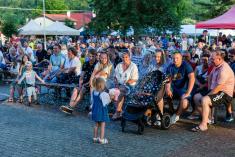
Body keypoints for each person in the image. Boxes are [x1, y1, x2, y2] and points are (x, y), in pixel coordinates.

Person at [192, 50, 234, 132]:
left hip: (224, 93)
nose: (210, 60)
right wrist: (209, 90)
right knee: (196, 97)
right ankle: (208, 119)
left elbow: (219, 87)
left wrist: (208, 95)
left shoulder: (224, 69)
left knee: (205, 100)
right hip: (215, 90)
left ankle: (204, 125)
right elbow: (210, 77)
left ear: (219, 59)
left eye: (212, 59)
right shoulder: (216, 66)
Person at [60, 49, 97, 114]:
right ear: (87, 56)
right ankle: (70, 106)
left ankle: (72, 107)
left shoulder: (97, 64)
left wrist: (84, 84)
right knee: (76, 89)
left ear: (95, 56)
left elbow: (94, 77)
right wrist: (80, 83)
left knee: (82, 89)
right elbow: (82, 75)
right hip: (85, 81)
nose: (91, 58)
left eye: (92, 56)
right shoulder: (86, 63)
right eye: (89, 56)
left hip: (93, 82)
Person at [166, 52, 195, 124]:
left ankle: (177, 115)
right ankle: (171, 110)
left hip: (184, 89)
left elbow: (192, 78)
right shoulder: (170, 67)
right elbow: (168, 80)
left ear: (181, 59)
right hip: (174, 88)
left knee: (185, 103)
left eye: (177, 58)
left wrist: (188, 93)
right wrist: (168, 89)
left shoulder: (186, 65)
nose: (175, 60)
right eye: (173, 58)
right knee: (165, 94)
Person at [112, 51, 139, 119]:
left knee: (120, 92)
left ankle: (117, 112)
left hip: (130, 86)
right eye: (123, 57)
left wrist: (124, 84)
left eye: (126, 57)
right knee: (112, 92)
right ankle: (120, 111)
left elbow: (134, 79)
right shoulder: (119, 65)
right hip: (119, 85)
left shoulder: (133, 66)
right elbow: (115, 76)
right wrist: (116, 84)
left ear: (129, 57)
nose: (124, 59)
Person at [91, 78, 111, 144]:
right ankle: (101, 139)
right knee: (102, 125)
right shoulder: (103, 93)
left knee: (96, 125)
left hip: (95, 110)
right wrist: (111, 97)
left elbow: (93, 102)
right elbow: (107, 102)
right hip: (102, 111)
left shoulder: (93, 92)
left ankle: (95, 137)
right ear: (102, 85)